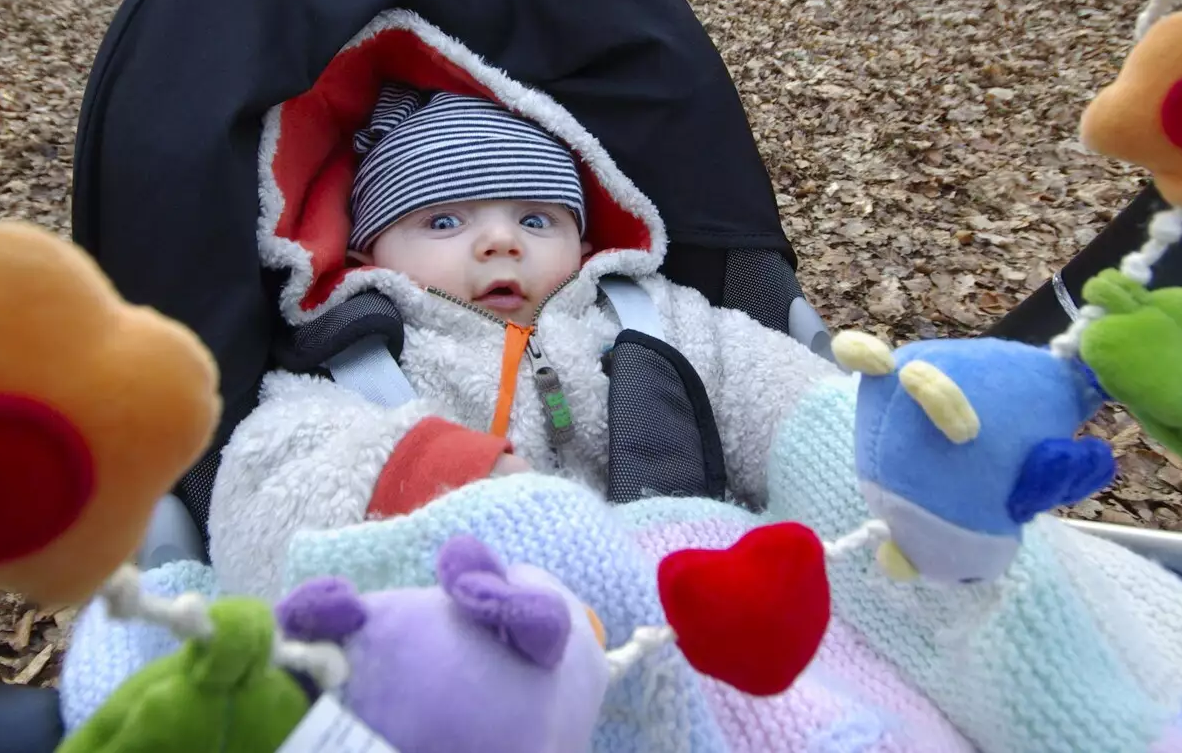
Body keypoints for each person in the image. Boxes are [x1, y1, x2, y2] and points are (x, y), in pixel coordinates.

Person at [208, 74, 844, 602]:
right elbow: (267, 483)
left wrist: (848, 438)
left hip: (702, 591)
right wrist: (428, 474)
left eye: (535, 219)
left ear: (586, 243)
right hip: (482, 620)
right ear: (367, 256)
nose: (500, 242)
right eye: (445, 219)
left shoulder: (651, 317)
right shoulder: (362, 361)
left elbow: (770, 389)